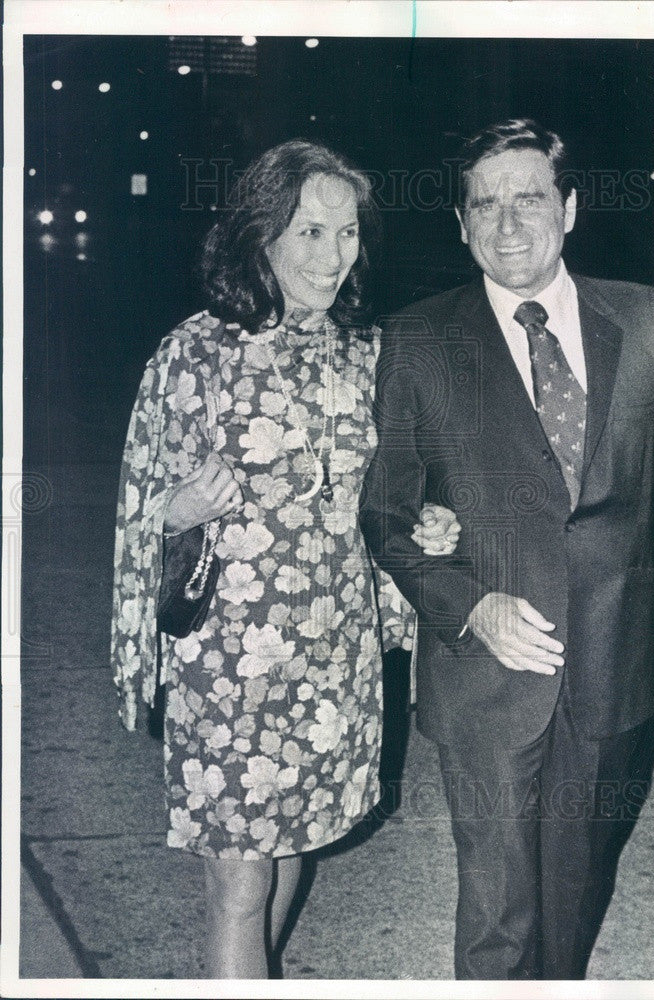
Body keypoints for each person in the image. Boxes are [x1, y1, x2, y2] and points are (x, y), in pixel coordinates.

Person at [360, 118, 654, 980]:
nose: (506, 222)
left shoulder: (644, 322)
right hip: (485, 678)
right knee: (498, 918)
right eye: (483, 204)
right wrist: (467, 602)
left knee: (572, 907)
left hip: (613, 666)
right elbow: (384, 513)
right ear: (459, 224)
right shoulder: (419, 340)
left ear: (567, 207)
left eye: (527, 198)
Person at [110, 139, 459, 979]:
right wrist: (181, 507)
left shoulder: (365, 354)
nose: (331, 256)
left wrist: (428, 524)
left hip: (334, 650)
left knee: (297, 839)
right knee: (237, 885)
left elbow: (390, 495)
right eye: (309, 232)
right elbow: (135, 512)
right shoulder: (192, 355)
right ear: (260, 235)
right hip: (230, 664)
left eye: (346, 234)